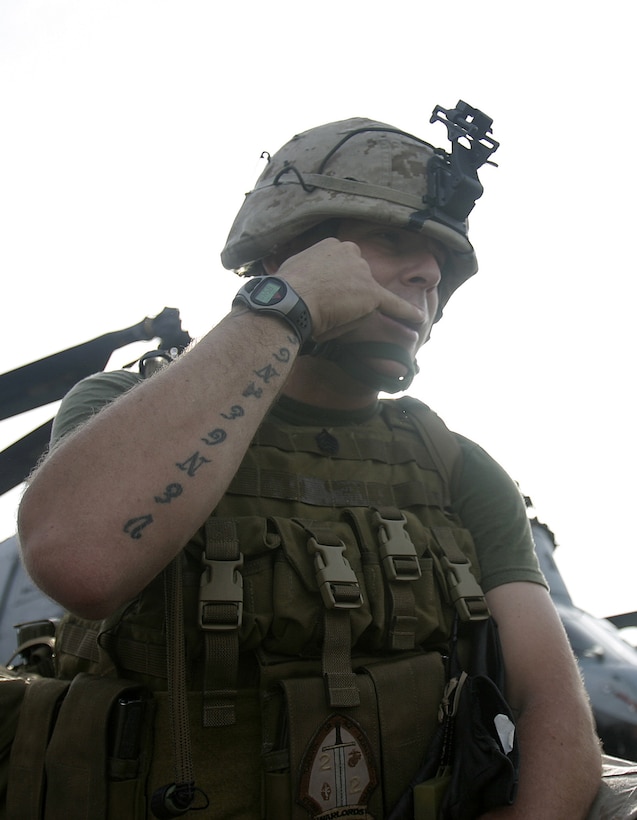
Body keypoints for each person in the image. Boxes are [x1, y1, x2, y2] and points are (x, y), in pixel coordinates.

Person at [17, 103, 604, 819]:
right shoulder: (127, 408)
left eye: (442, 268)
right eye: (393, 241)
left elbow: (549, 694)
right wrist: (284, 307)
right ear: (287, 252)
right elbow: (81, 563)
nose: (427, 274)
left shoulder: (455, 465)